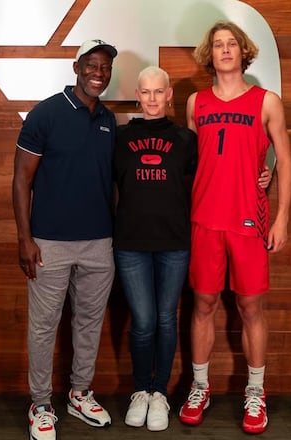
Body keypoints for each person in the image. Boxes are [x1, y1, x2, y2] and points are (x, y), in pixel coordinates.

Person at [178, 21, 291, 435]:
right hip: (204, 219)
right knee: (203, 305)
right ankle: (200, 387)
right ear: (209, 54)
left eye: (232, 44)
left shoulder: (267, 101)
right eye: (218, 45)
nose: (225, 50)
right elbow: (191, 162)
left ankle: (256, 394)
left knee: (250, 308)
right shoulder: (195, 103)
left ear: (244, 52)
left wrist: (280, 216)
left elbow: (285, 159)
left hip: (249, 220)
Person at [13, 39, 117, 440]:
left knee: (89, 323)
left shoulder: (108, 120)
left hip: (99, 243)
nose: (98, 73)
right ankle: (40, 404)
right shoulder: (46, 113)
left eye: (105, 67)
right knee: (44, 326)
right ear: (76, 67)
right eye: (92, 65)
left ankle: (79, 393)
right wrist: (25, 238)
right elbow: (22, 179)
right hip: (49, 243)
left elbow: (112, 182)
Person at [114, 66, 198, 432]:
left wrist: (263, 171)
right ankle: (140, 391)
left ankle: (160, 392)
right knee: (144, 322)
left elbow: (205, 182)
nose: (151, 99)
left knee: (166, 319)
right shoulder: (119, 138)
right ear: (138, 94)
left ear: (168, 96)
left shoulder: (185, 139)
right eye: (145, 92)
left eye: (158, 92)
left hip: (174, 242)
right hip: (131, 242)